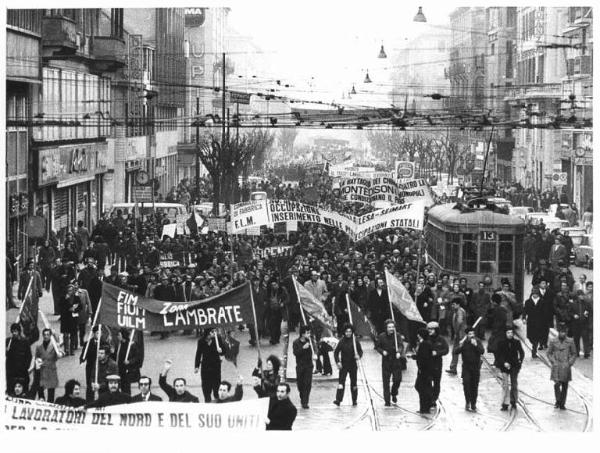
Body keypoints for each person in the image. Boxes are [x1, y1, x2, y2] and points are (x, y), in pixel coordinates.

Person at [375, 319, 405, 406]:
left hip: (396, 361)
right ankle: (387, 401)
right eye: (389, 327)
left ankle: (394, 392)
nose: (391, 329)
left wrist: (399, 352)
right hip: (386, 361)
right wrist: (382, 351)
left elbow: (401, 345)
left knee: (397, 380)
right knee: (386, 382)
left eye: (392, 327)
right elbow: (377, 347)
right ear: (386, 328)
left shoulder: (397, 336)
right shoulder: (381, 336)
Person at [547, 324, 578, 410]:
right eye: (561, 332)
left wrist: (569, 363)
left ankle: (562, 403)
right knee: (557, 384)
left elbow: (574, 353)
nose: (563, 334)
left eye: (564, 332)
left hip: (565, 366)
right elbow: (548, 353)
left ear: (566, 332)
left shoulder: (570, 341)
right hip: (556, 366)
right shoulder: (553, 341)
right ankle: (558, 400)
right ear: (558, 332)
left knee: (565, 385)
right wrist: (553, 361)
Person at [455, 326, 484, 411]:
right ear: (467, 335)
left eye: (473, 334)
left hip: (475, 367)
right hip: (466, 367)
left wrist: (476, 345)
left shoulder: (477, 341)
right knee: (466, 384)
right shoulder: (464, 342)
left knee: (474, 386)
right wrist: (460, 345)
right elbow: (456, 352)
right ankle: (468, 401)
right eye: (470, 334)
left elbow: (482, 351)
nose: (472, 335)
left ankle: (473, 403)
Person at [333, 324, 363, 406]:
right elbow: (336, 353)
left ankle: (354, 400)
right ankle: (338, 400)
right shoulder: (342, 341)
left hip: (353, 365)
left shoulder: (355, 341)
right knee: (341, 382)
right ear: (344, 332)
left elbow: (360, 351)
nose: (348, 333)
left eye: (350, 332)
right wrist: (338, 362)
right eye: (346, 332)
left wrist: (358, 356)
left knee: (354, 383)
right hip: (344, 365)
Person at [495, 326, 524, 411]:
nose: (510, 334)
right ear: (505, 333)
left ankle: (513, 401)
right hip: (504, 366)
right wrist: (504, 363)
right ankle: (505, 403)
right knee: (505, 385)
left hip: (514, 366)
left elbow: (521, 353)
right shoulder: (501, 343)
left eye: (511, 333)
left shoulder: (516, 342)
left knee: (514, 384)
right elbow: (498, 355)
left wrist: (519, 362)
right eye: (508, 333)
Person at [194, 328, 227, 402]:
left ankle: (217, 399)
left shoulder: (217, 339)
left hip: (216, 366)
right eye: (212, 331)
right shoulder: (201, 341)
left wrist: (221, 351)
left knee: (217, 385)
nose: (214, 333)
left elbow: (224, 351)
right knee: (206, 386)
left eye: (215, 331)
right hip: (205, 367)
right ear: (207, 332)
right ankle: (207, 400)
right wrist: (196, 366)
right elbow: (198, 354)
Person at [523, 288, 551, 358]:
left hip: (540, 322)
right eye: (534, 293)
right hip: (531, 322)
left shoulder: (542, 302)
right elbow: (524, 311)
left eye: (536, 294)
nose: (535, 295)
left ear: (538, 294)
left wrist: (546, 321)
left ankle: (534, 350)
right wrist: (523, 318)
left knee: (537, 337)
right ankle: (534, 346)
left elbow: (546, 312)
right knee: (530, 337)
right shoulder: (528, 302)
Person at [292, 325, 316, 409]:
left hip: (309, 366)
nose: (309, 334)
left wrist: (315, 354)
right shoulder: (296, 342)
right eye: (307, 333)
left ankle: (305, 402)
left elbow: (315, 349)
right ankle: (302, 396)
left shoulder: (311, 341)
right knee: (300, 384)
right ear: (302, 334)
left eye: (309, 332)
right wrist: (303, 348)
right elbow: (295, 353)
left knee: (307, 384)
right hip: (300, 366)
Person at [34, 328, 61, 403]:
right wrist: (37, 363)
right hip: (42, 371)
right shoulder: (39, 347)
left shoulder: (54, 346)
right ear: (42, 336)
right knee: (40, 390)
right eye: (44, 335)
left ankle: (50, 404)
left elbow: (59, 350)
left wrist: (55, 334)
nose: (46, 336)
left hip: (51, 371)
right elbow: (37, 358)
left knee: (51, 392)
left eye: (48, 335)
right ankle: (42, 403)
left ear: (50, 336)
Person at [112, 328, 142, 395]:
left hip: (128, 370)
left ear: (123, 335)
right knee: (120, 386)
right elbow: (116, 356)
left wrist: (129, 361)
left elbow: (137, 357)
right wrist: (112, 352)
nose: (117, 337)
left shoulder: (131, 345)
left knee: (126, 387)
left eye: (119, 335)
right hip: (119, 369)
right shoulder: (119, 344)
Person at [427, 321, 448, 408]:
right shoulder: (426, 338)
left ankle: (434, 399)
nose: (430, 331)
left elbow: (446, 350)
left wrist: (438, 353)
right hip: (428, 364)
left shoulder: (441, 339)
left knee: (436, 382)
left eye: (432, 329)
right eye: (429, 329)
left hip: (437, 364)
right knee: (428, 382)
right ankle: (429, 397)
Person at [6, 323, 33, 392]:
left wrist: (26, 366)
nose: (14, 333)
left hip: (22, 371)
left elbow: (29, 356)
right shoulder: (9, 341)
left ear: (19, 332)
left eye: (15, 331)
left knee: (24, 390)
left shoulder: (25, 342)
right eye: (12, 331)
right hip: (12, 372)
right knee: (11, 390)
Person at [413, 327, 433, 414]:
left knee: (421, 387)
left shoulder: (424, 344)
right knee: (423, 387)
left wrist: (421, 368)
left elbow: (424, 357)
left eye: (419, 334)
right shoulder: (425, 343)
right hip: (425, 370)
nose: (417, 336)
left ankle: (425, 407)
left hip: (424, 370)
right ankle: (425, 407)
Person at [446, 298, 466, 375]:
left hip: (461, 335)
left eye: (454, 304)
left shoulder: (460, 311)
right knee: (455, 351)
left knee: (463, 351)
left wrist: (456, 333)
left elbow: (459, 322)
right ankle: (453, 367)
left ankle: (477, 362)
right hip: (459, 334)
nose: (452, 306)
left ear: (458, 304)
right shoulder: (457, 311)